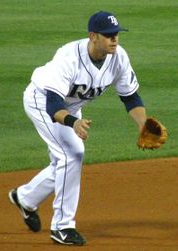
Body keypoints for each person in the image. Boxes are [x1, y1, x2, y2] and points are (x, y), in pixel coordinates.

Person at [9, 11, 147, 246]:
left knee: (65, 161)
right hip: (42, 102)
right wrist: (74, 123)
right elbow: (53, 105)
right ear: (93, 36)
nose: (114, 39)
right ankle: (62, 227)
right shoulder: (69, 57)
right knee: (72, 154)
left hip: (71, 109)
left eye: (116, 35)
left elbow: (130, 97)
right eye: (108, 35)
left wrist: (144, 126)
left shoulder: (119, 57)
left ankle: (24, 198)